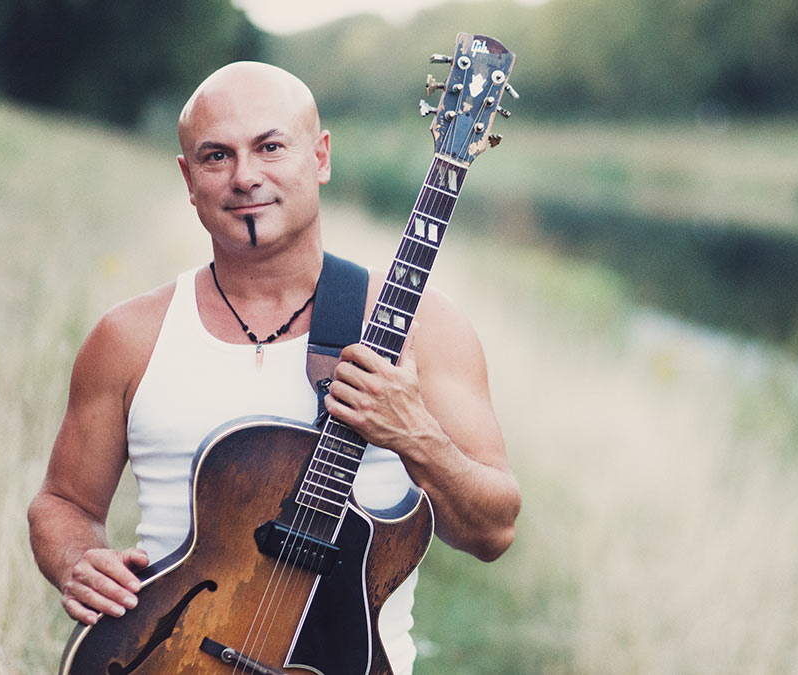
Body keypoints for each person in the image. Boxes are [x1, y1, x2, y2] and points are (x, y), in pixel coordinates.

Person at [28, 61, 520, 673]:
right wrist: (77, 559)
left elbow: (492, 531)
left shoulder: (424, 328)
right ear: (188, 179)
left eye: (270, 147)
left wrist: (415, 434)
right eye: (217, 156)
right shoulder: (129, 337)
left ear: (320, 157)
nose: (245, 177)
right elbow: (63, 503)